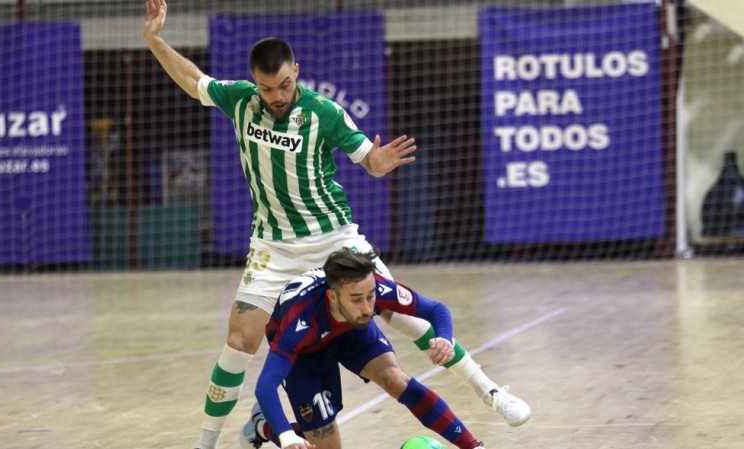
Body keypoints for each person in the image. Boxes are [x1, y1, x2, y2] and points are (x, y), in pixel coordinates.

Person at [142, 1, 530, 448]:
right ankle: (205, 444)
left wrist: (379, 163)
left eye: (286, 84)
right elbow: (194, 81)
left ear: (297, 73)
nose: (278, 95)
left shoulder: (324, 113)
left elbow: (369, 158)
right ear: (256, 84)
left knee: (398, 313)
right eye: (269, 88)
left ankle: (492, 392)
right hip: (273, 245)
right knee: (239, 339)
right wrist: (154, 39)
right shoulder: (240, 102)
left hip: (334, 238)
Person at [246, 248, 485, 449]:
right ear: (332, 297)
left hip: (352, 331)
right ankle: (264, 425)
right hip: (306, 354)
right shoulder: (299, 321)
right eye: (357, 299)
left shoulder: (372, 291)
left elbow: (437, 309)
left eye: (370, 296)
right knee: (323, 443)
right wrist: (286, 436)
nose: (368, 307)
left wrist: (444, 337)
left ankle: (474, 446)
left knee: (395, 378)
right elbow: (265, 386)